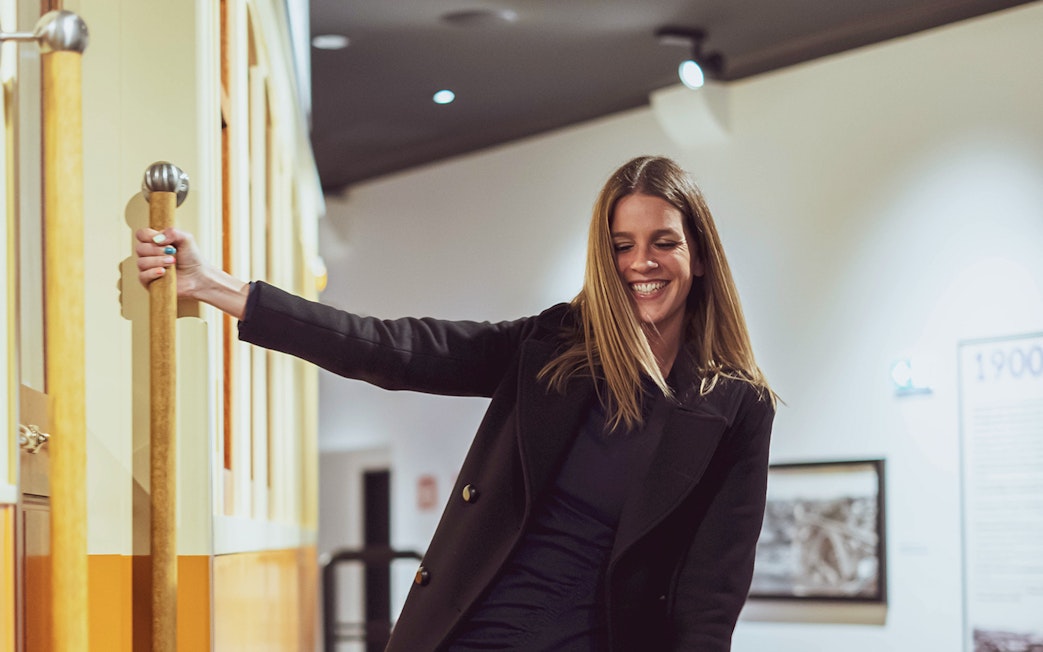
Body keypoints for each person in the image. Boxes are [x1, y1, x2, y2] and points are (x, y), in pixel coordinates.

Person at [135, 155, 776, 651]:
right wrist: (218, 286)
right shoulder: (552, 345)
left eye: (664, 242)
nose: (642, 263)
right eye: (621, 245)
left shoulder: (737, 409)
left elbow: (710, 598)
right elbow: (396, 350)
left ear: (699, 255)